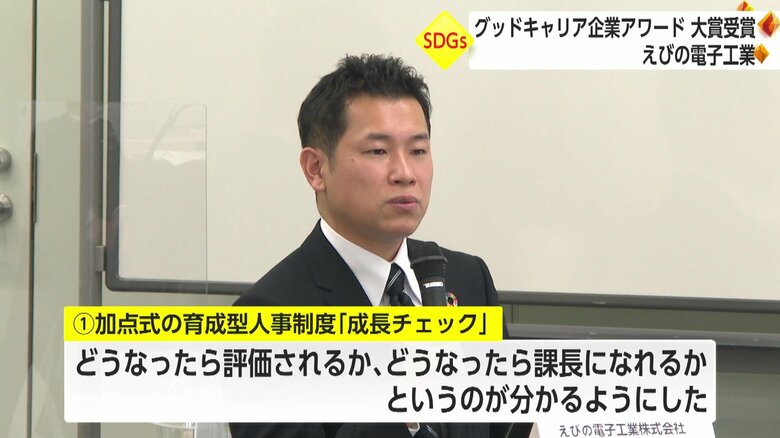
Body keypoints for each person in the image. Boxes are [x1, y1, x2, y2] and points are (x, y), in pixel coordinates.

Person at [230, 54, 531, 438]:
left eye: (418, 151)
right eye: (378, 151)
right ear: (316, 169)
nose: (405, 173)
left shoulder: (467, 279)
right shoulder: (265, 319)